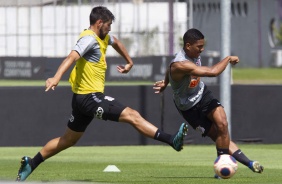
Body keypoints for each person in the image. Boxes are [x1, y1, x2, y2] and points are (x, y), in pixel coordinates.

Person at [16, 6, 188, 182]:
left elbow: (117, 42)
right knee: (132, 115)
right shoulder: (88, 40)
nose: (110, 28)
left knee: (68, 140)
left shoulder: (102, 36)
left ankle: (31, 163)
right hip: (89, 98)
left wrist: (129, 62)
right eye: (108, 24)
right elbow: (71, 57)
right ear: (99, 23)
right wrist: (55, 77)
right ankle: (171, 140)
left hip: (81, 100)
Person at [153, 28, 264, 178]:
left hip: (203, 94)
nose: (202, 49)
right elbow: (212, 72)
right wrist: (228, 58)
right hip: (188, 108)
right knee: (216, 135)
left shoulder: (189, 56)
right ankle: (247, 163)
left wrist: (166, 83)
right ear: (188, 46)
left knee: (223, 124)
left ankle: (224, 168)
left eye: (202, 45)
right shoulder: (180, 64)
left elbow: (168, 69)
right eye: (199, 46)